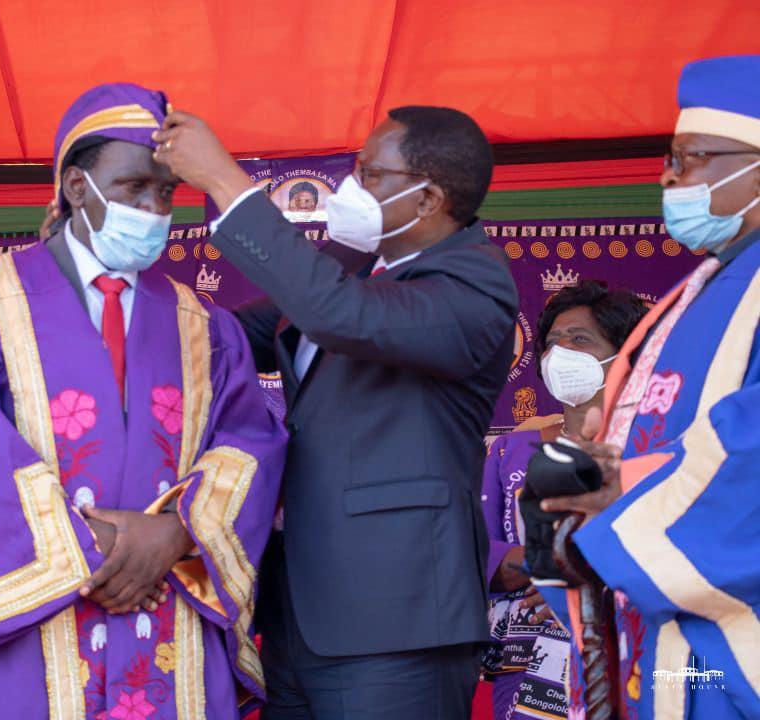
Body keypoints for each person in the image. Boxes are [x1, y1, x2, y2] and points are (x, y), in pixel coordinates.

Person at [0, 83, 285, 718]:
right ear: (77, 187)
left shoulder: (200, 324)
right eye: (134, 188)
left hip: (167, 611)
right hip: (29, 627)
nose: (154, 209)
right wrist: (90, 545)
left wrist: (175, 532)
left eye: (166, 192)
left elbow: (250, 442)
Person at [154, 105, 519, 718]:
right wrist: (115, 294)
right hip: (299, 616)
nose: (352, 186)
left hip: (397, 621)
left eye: (370, 173)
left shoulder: (474, 283)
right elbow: (227, 338)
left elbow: (338, 314)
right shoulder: (356, 269)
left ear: (428, 199)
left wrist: (223, 180)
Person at [538, 56, 760, 720]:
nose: (669, 176)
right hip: (666, 633)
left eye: (692, 158)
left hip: (732, 639)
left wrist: (621, 490)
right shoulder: (701, 287)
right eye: (671, 158)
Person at [480, 281, 647, 720]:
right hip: (527, 652)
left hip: (634, 644)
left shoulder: (653, 445)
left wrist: (578, 576)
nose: (560, 352)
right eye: (553, 341)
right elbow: (473, 547)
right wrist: (543, 567)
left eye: (580, 339)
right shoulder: (510, 451)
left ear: (625, 353)